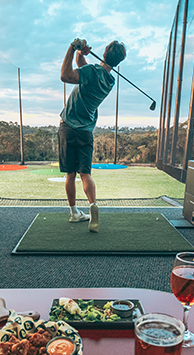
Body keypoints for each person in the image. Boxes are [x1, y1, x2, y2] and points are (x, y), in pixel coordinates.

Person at [59, 38, 126, 232]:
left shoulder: (91, 72)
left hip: (68, 127)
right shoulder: (109, 80)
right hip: (86, 132)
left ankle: (73, 213)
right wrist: (82, 53)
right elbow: (84, 68)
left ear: (104, 53)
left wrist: (72, 48)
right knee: (85, 174)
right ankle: (93, 206)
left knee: (70, 175)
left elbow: (65, 75)